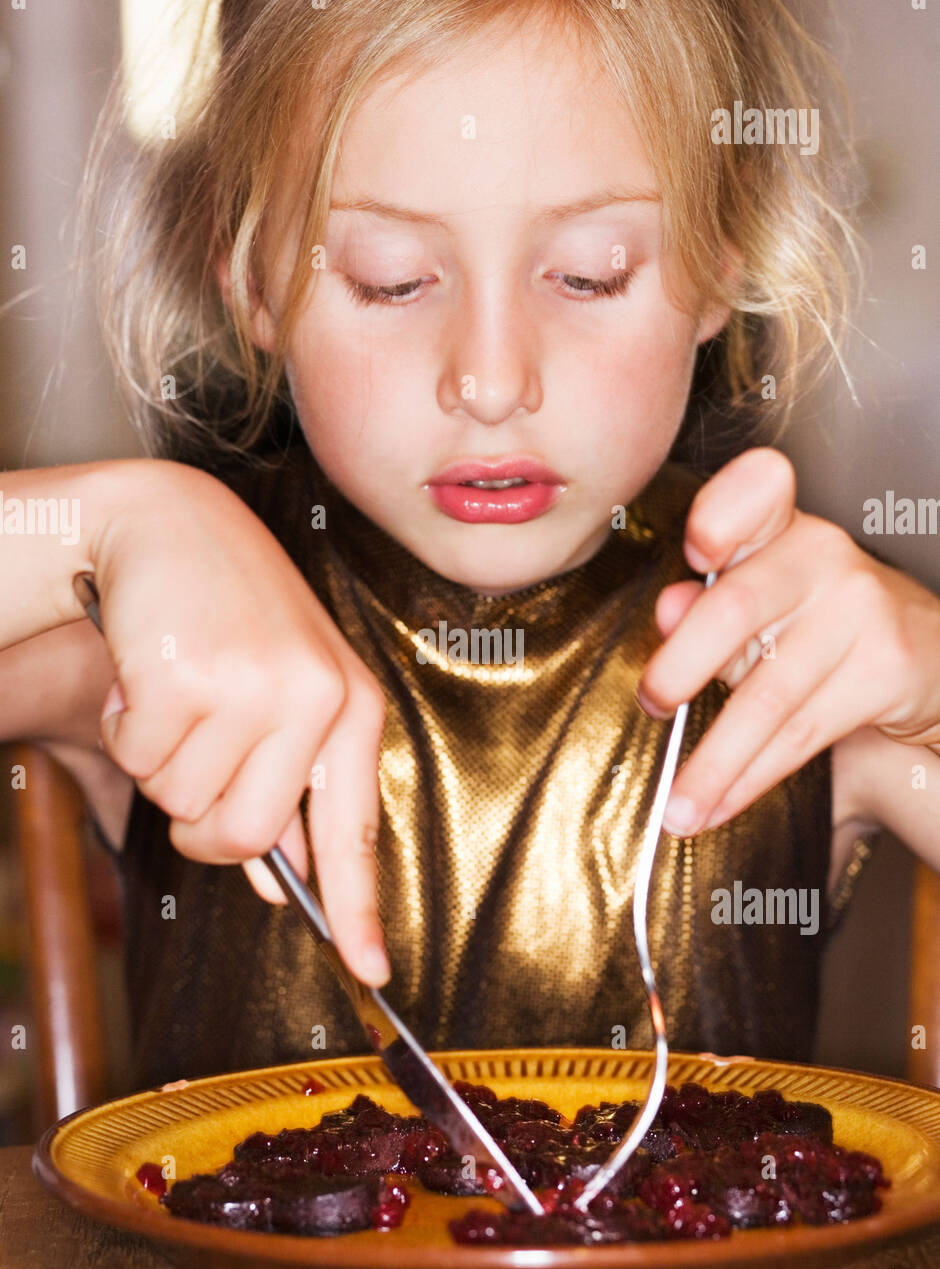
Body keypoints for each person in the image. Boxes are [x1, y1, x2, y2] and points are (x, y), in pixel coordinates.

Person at [4, 0, 939, 1089]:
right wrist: (117, 521)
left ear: (719, 263)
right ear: (255, 281)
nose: (492, 381)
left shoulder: (792, 680)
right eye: (390, 277)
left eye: (589, 273)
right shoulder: (176, 666)